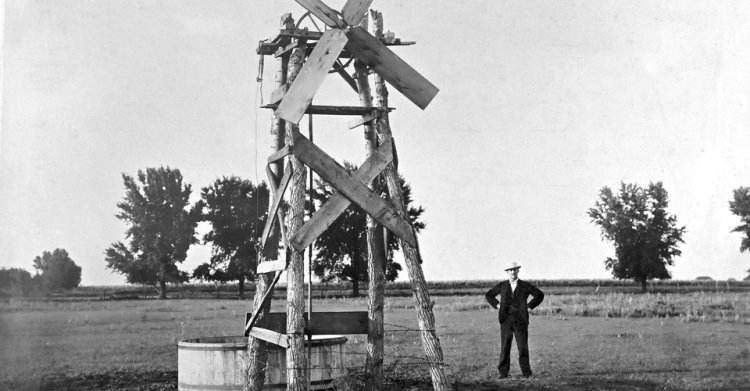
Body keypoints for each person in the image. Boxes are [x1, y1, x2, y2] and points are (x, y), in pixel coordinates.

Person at [485, 261, 544, 379]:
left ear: (518, 271)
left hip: (521, 320)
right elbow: (489, 295)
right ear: (507, 272)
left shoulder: (525, 285)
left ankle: (526, 373)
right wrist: (498, 305)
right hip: (506, 320)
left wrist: (529, 306)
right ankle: (503, 373)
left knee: (522, 347)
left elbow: (539, 295)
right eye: (510, 270)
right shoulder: (502, 285)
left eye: (515, 269)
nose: (513, 272)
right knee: (505, 346)